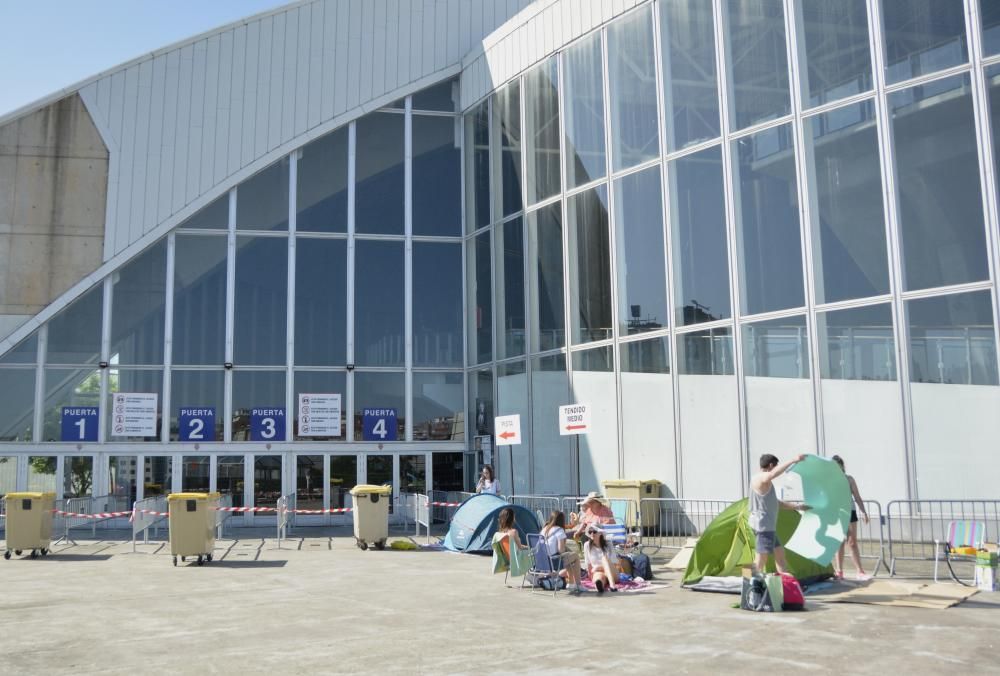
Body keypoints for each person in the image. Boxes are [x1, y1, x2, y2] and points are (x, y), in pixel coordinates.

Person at [749, 453, 811, 575]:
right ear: (771, 465)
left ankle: (785, 582)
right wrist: (793, 460)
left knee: (780, 554)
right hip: (763, 527)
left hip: (768, 527)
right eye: (775, 466)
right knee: (760, 561)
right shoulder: (760, 478)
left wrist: (798, 507)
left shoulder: (765, 483)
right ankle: (750, 586)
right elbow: (771, 474)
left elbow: (777, 503)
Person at [831, 455, 871, 580]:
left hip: (850, 512)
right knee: (838, 542)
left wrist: (863, 512)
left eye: (838, 466)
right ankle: (839, 570)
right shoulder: (829, 480)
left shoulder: (849, 479)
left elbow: (857, 497)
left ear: (842, 466)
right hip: (837, 513)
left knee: (852, 542)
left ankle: (860, 570)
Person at [540, 510, 582, 594]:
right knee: (575, 557)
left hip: (542, 561)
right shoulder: (559, 530)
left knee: (569, 557)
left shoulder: (544, 529)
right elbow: (561, 550)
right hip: (553, 562)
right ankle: (578, 585)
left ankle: (571, 583)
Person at [583, 529, 619, 594]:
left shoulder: (608, 544)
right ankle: (600, 586)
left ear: (600, 533)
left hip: (612, 573)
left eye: (594, 531)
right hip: (598, 572)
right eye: (590, 532)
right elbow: (588, 563)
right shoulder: (587, 545)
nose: (592, 534)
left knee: (604, 558)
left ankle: (612, 585)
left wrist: (598, 567)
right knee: (598, 578)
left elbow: (614, 563)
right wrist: (591, 575)